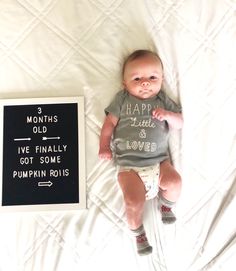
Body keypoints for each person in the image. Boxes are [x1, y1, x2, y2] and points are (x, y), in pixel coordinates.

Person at [98, 50, 183, 256]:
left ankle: (166, 204)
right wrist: (104, 146)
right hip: (129, 167)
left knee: (174, 182)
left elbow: (179, 123)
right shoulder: (123, 99)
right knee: (133, 202)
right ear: (124, 84)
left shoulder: (162, 100)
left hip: (159, 162)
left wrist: (168, 115)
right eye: (137, 78)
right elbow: (109, 123)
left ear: (161, 80)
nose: (145, 83)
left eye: (152, 78)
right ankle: (138, 233)